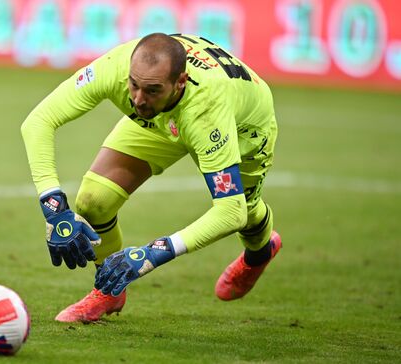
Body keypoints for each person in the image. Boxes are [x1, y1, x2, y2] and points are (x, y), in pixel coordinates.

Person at [21, 33, 281, 323]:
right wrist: (52, 205)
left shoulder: (206, 109)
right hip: (160, 119)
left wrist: (152, 253)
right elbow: (38, 121)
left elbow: (230, 212)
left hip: (240, 126)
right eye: (134, 86)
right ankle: (108, 290)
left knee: (245, 209)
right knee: (93, 200)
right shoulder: (118, 67)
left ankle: (260, 253)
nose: (138, 99)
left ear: (179, 82)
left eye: (152, 90)